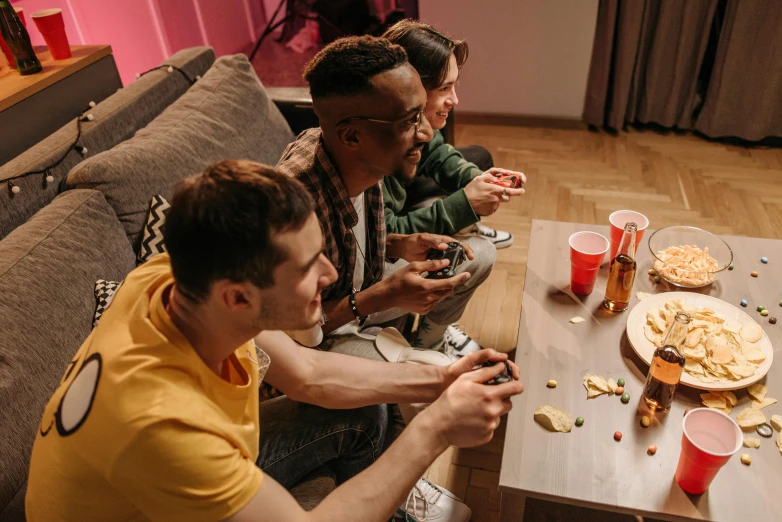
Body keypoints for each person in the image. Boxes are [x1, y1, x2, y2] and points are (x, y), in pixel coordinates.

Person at [25, 160, 524, 522]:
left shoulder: (175, 279)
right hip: (154, 486)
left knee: (363, 411)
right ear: (239, 298)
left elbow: (310, 375)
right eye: (310, 267)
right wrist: (435, 429)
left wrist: (440, 379)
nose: (331, 273)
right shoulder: (160, 423)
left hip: (162, 481)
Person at [277, 35, 492, 357]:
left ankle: (428, 343)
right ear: (352, 136)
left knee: (481, 254)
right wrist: (384, 296)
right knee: (433, 386)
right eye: (409, 121)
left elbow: (352, 241)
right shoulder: (290, 211)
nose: (426, 133)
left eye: (422, 113)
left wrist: (397, 243)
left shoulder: (364, 157)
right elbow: (293, 334)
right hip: (323, 338)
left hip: (367, 289)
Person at [382, 20, 527, 249]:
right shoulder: (376, 149)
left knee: (479, 158)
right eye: (443, 89)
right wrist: (464, 205)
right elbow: (387, 237)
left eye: (454, 86)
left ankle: (456, 221)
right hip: (392, 231)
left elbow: (436, 153)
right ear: (408, 88)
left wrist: (478, 181)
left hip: (406, 188)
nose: (455, 100)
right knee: (482, 255)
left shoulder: (416, 125)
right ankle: (455, 227)